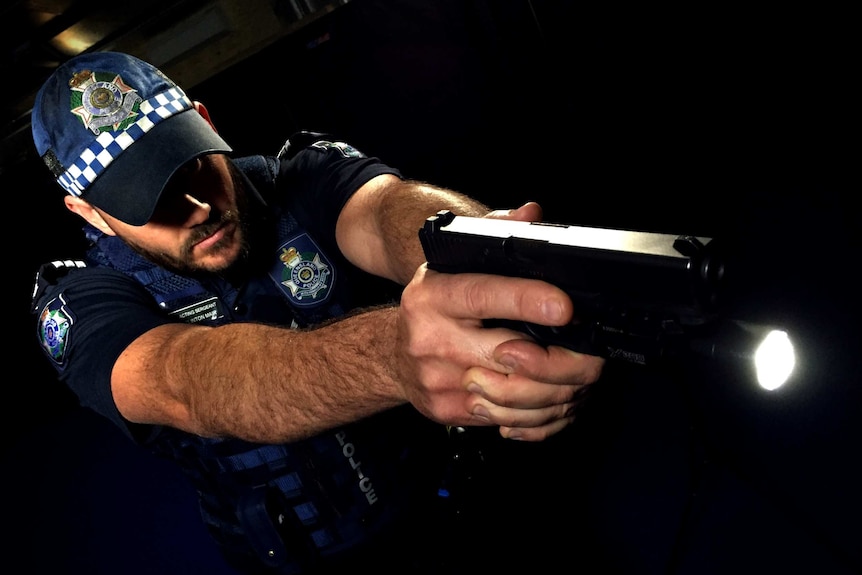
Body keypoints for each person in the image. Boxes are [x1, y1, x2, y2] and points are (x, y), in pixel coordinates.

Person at [29, 51, 604, 574]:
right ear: (91, 213)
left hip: (451, 499)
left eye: (189, 166)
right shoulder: (80, 301)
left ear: (204, 122)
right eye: (148, 200)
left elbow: (387, 210)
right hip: (299, 559)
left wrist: (473, 250)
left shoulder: (299, 173)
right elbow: (186, 382)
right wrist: (393, 355)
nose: (198, 208)